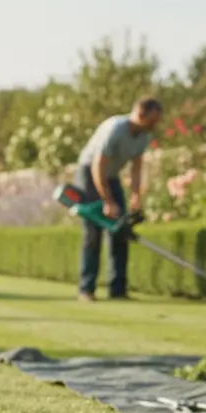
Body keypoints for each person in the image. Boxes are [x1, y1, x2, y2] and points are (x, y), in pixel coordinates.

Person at [72, 97, 163, 302]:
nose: (155, 125)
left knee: (121, 230)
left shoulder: (143, 136)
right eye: (152, 120)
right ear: (141, 114)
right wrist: (106, 200)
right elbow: (98, 166)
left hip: (111, 177)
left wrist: (135, 198)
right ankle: (86, 289)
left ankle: (118, 289)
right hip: (90, 174)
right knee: (93, 231)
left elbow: (136, 168)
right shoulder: (115, 128)